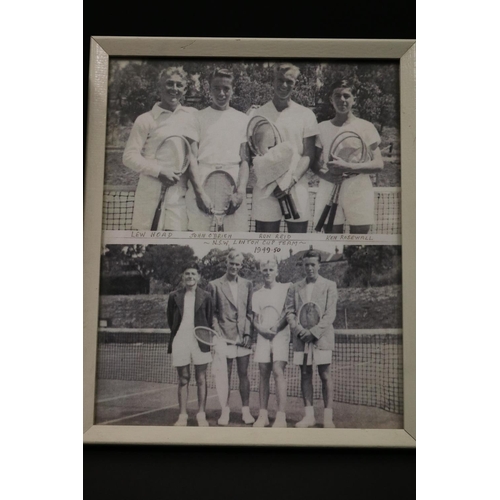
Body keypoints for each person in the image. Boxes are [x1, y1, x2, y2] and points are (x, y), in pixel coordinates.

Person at [122, 67, 199, 231]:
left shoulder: (192, 116)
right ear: (160, 87)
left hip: (178, 194)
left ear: (185, 90)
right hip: (149, 192)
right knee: (143, 249)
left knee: (173, 248)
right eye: (169, 84)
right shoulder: (145, 119)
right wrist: (159, 171)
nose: (174, 89)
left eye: (179, 85)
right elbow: (129, 156)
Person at [250, 63, 319, 233]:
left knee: (297, 243)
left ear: (296, 83)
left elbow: (309, 154)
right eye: (280, 80)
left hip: (296, 184)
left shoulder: (306, 114)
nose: (283, 85)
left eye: (289, 81)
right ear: (272, 81)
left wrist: (290, 180)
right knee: (265, 242)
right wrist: (272, 180)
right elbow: (254, 153)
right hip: (266, 187)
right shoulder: (257, 114)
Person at [312, 79, 384, 234]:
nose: (342, 100)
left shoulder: (366, 127)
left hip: (358, 188)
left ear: (354, 100)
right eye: (337, 96)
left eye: (346, 96)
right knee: (331, 240)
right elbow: (314, 162)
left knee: (358, 241)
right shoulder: (321, 127)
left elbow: (379, 164)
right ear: (331, 99)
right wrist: (327, 175)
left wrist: (349, 167)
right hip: (329, 186)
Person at [185, 68, 250, 232]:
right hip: (202, 183)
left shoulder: (243, 119)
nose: (221, 93)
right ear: (209, 89)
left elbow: (245, 160)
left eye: (226, 88)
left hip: (233, 186)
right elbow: (191, 158)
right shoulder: (196, 117)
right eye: (216, 88)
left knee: (235, 242)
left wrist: (240, 192)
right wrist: (199, 194)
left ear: (232, 90)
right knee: (199, 241)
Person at [285, 250, 338, 428]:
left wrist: (314, 332)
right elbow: (290, 312)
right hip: (301, 340)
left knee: (324, 375)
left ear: (319, 265)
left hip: (321, 339)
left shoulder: (329, 285)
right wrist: (299, 330)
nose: (309, 268)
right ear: (303, 265)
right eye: (306, 264)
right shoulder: (294, 287)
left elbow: (330, 314)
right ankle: (309, 416)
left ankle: (327, 418)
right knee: (305, 375)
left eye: (313, 264)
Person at [207, 251, 254, 425]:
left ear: (241, 266)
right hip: (223, 338)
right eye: (231, 263)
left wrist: (248, 333)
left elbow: (250, 312)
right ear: (226, 263)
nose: (234, 267)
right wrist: (217, 333)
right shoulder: (214, 285)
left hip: (243, 337)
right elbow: (212, 314)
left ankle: (246, 412)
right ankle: (225, 411)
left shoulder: (248, 284)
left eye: (238, 264)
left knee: (244, 374)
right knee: (224, 376)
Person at [166, 263, 213, 427]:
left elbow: (209, 319)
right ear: (183, 277)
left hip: (200, 341)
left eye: (193, 274)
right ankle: (183, 416)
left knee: (201, 379)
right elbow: (170, 319)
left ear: (198, 277)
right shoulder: (174, 296)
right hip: (181, 340)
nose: (190, 277)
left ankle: (201, 414)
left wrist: (203, 336)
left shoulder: (206, 296)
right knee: (183, 378)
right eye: (187, 274)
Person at [251, 258, 291, 428]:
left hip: (281, 335)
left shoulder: (286, 289)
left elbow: (288, 312)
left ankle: (280, 416)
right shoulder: (257, 294)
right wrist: (261, 330)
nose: (268, 273)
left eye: (271, 269)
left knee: (277, 371)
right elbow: (254, 319)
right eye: (265, 270)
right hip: (262, 335)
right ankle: (263, 415)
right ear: (261, 272)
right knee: (263, 373)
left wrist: (275, 328)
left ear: (277, 271)